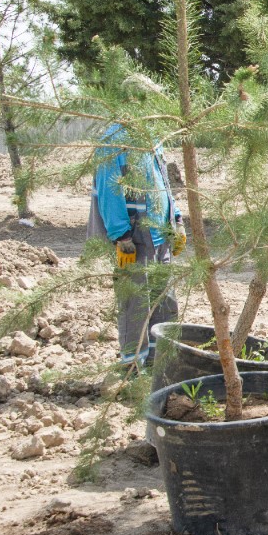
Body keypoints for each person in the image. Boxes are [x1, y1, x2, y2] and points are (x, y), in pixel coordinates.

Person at [88, 120, 183, 367]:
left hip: (160, 235)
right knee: (135, 304)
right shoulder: (113, 142)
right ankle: (133, 368)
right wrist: (121, 236)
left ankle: (159, 363)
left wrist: (176, 219)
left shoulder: (151, 136)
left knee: (165, 302)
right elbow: (109, 192)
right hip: (135, 236)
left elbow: (164, 183)